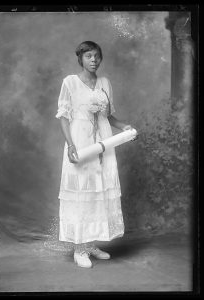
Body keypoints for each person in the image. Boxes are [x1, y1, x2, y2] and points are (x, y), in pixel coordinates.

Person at [55, 41, 136, 268]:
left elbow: (108, 116)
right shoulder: (70, 82)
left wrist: (125, 127)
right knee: (82, 191)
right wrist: (71, 145)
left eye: (97, 56)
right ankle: (79, 249)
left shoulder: (104, 83)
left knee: (97, 192)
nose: (94, 60)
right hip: (80, 143)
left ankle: (90, 245)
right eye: (89, 56)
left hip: (103, 142)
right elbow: (64, 117)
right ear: (80, 58)